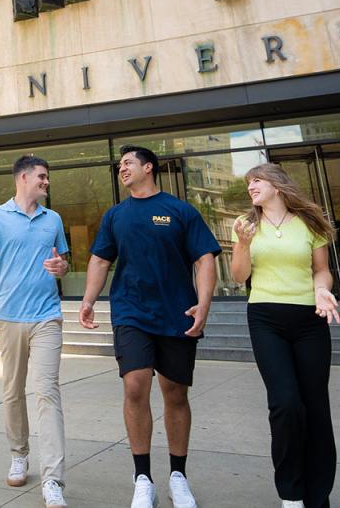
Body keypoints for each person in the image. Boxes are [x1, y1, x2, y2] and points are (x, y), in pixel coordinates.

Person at [80, 145, 219, 508]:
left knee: (175, 392)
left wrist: (203, 304)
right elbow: (99, 260)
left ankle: (178, 476)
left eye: (127, 163)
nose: (121, 169)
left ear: (148, 167)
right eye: (119, 165)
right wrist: (89, 300)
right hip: (131, 312)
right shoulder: (115, 215)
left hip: (177, 314)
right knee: (135, 385)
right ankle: (142, 477)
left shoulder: (179, 210)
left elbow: (205, 258)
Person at [229, 163, 340, 508]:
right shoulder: (245, 226)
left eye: (257, 181)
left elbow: (321, 272)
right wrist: (244, 244)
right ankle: (291, 494)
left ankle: (317, 494)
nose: (251, 188)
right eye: (249, 183)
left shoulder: (309, 223)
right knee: (285, 403)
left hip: (309, 319)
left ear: (277, 185)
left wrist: (322, 291)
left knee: (315, 407)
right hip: (265, 318)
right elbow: (237, 277)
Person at [0, 154, 72, 507]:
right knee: (12, 391)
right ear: (23, 177)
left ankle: (53, 477)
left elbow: (64, 262)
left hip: (46, 318)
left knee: (47, 393)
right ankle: (19, 454)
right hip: (9, 317)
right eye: (42, 176)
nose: (46, 181)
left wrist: (61, 266)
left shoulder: (52, 219)